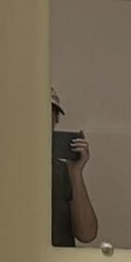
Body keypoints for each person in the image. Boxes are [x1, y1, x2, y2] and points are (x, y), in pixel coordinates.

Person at [50, 89, 99, 247]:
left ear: (55, 121)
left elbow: (87, 234)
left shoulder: (63, 171)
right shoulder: (10, 168)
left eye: (50, 117)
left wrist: (75, 172)